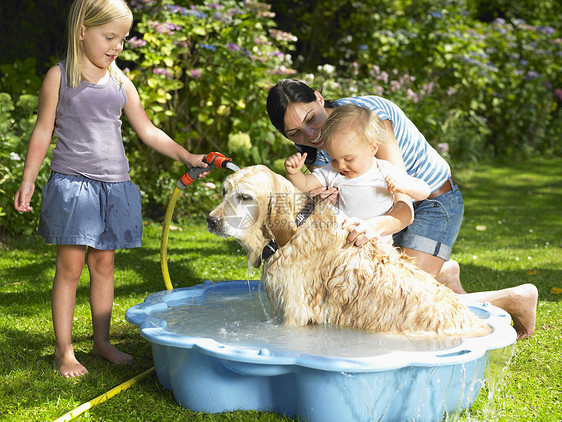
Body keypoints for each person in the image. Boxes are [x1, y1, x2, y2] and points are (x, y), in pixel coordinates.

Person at [13, 0, 209, 378]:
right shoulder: (60, 77)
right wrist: (28, 179)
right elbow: (42, 131)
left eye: (122, 39)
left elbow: (148, 130)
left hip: (114, 186)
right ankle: (64, 350)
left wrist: (186, 155)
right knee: (69, 268)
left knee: (104, 264)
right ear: (82, 31)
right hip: (73, 184)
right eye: (109, 37)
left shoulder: (121, 82)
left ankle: (101, 342)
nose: (117, 46)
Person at [267, 79, 537, 339]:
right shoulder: (312, 147)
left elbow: (403, 203)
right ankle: (442, 272)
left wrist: (373, 227)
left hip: (430, 200)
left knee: (401, 302)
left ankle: (513, 298)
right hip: (379, 214)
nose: (310, 135)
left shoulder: (368, 121)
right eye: (294, 133)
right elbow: (334, 192)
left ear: (319, 98)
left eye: (311, 118)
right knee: (373, 292)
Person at [285, 104, 430, 245]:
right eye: (334, 158)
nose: (340, 165)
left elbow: (424, 191)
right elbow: (304, 184)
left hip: (376, 243)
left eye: (349, 159)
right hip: (342, 242)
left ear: (372, 148)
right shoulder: (333, 171)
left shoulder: (385, 171)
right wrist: (294, 172)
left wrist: (406, 186)